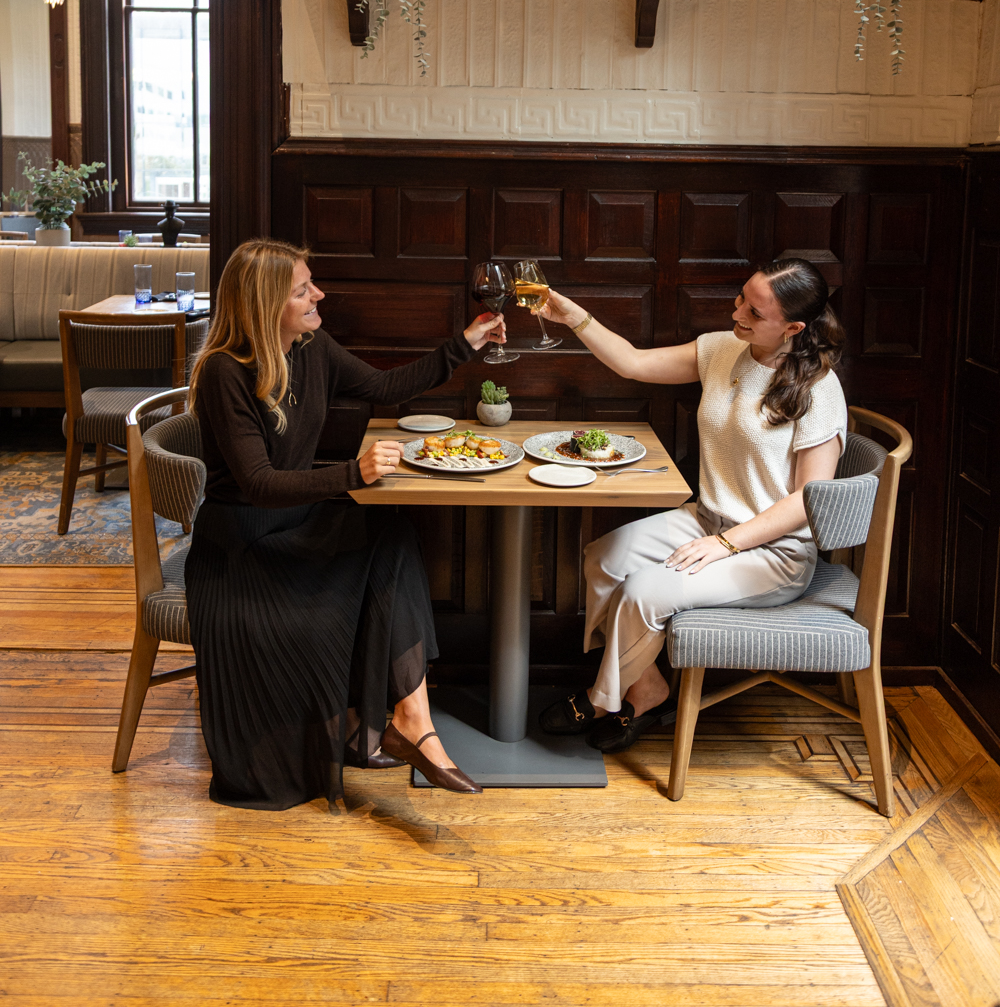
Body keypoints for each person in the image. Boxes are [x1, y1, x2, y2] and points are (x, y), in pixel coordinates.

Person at [186, 237, 505, 809]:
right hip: (243, 547)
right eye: (302, 290)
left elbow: (383, 387)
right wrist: (352, 474)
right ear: (265, 305)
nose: (319, 295)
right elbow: (258, 484)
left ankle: (412, 721)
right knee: (381, 540)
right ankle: (398, 726)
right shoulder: (223, 372)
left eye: (311, 283)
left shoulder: (311, 346)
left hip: (296, 522)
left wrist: (465, 344)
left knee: (392, 535)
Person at [537, 257, 847, 754]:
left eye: (755, 311)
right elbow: (633, 363)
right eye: (742, 297)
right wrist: (573, 316)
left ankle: (600, 700)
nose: (738, 312)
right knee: (604, 558)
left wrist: (727, 544)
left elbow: (809, 503)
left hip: (774, 551)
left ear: (793, 328)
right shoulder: (723, 348)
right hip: (707, 520)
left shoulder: (819, 390)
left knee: (643, 592)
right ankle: (646, 688)